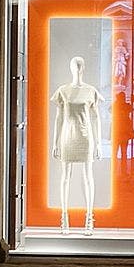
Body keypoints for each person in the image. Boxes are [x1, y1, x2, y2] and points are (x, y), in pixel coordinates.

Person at [51, 56, 104, 234]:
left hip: (85, 136)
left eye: (80, 66)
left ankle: (90, 219)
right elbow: (58, 118)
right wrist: (55, 142)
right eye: (75, 65)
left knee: (88, 177)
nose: (78, 68)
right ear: (70, 68)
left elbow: (96, 118)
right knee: (65, 176)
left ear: (84, 69)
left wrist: (99, 143)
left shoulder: (91, 91)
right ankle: (64, 219)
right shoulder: (63, 91)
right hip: (68, 136)